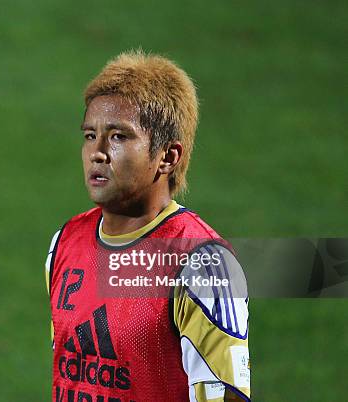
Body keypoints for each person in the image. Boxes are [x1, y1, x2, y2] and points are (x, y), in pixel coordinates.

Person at [45, 51, 250, 401]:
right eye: (90, 135)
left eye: (119, 137)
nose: (98, 152)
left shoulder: (202, 262)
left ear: (168, 157)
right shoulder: (65, 243)